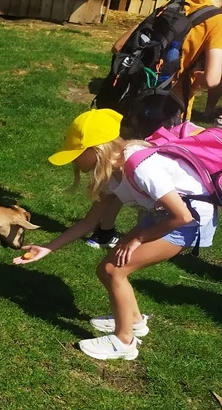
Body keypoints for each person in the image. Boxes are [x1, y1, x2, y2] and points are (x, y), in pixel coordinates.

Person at [14, 108, 217, 361]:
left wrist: (138, 239)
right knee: (106, 269)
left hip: (187, 223)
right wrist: (48, 247)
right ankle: (134, 320)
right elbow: (90, 221)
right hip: (159, 216)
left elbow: (182, 216)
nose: (74, 162)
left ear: (97, 150)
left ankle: (124, 342)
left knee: (114, 270)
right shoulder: (110, 172)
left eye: (77, 155)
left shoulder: (142, 168)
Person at [90, 0, 222, 249]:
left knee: (120, 165)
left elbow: (118, 46)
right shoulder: (216, 20)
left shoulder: (171, 6)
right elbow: (214, 79)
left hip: (134, 98)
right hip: (168, 107)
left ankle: (102, 230)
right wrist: (192, 74)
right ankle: (146, 237)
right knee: (155, 171)